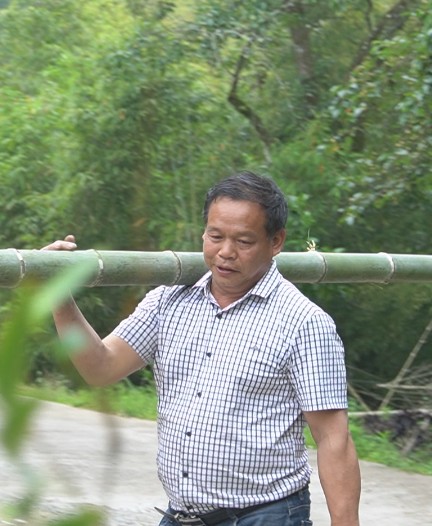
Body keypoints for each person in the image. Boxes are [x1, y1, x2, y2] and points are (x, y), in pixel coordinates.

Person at [43, 171, 360, 526]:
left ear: (276, 242)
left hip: (264, 516)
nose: (225, 252)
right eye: (215, 236)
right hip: (182, 516)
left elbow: (333, 438)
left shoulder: (304, 323)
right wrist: (59, 296)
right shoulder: (168, 300)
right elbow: (100, 367)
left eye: (244, 241)